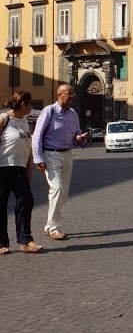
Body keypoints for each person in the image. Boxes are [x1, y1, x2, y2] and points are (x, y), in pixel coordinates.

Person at [32, 83, 88, 240]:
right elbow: (37, 135)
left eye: (73, 94)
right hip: (51, 154)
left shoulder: (73, 114)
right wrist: (38, 158)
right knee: (56, 188)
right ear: (60, 94)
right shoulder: (49, 111)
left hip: (67, 155)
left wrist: (79, 138)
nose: (72, 97)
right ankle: (55, 228)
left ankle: (49, 225)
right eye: (70, 94)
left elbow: (76, 134)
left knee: (63, 193)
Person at [0, 91, 42, 254]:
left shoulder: (24, 121)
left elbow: (27, 149)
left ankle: (25, 240)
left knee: (26, 200)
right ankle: (1, 243)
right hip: (2, 168)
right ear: (23, 104)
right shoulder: (4, 119)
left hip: (19, 168)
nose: (33, 106)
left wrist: (28, 171)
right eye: (31, 103)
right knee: (1, 205)